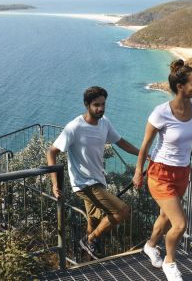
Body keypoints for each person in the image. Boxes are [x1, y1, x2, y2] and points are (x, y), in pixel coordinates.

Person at [47, 86, 140, 259]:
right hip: (84, 184)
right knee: (122, 211)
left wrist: (142, 154)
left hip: (98, 180)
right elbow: (51, 152)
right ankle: (89, 239)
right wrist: (55, 183)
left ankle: (84, 261)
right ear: (86, 105)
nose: (101, 109)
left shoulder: (104, 122)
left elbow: (120, 142)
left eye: (103, 104)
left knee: (93, 222)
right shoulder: (74, 127)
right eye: (96, 105)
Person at [133, 59, 192, 281]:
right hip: (160, 173)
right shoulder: (161, 112)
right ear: (180, 87)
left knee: (164, 215)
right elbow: (145, 146)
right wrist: (138, 172)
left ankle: (151, 246)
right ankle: (170, 262)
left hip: (182, 172)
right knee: (180, 224)